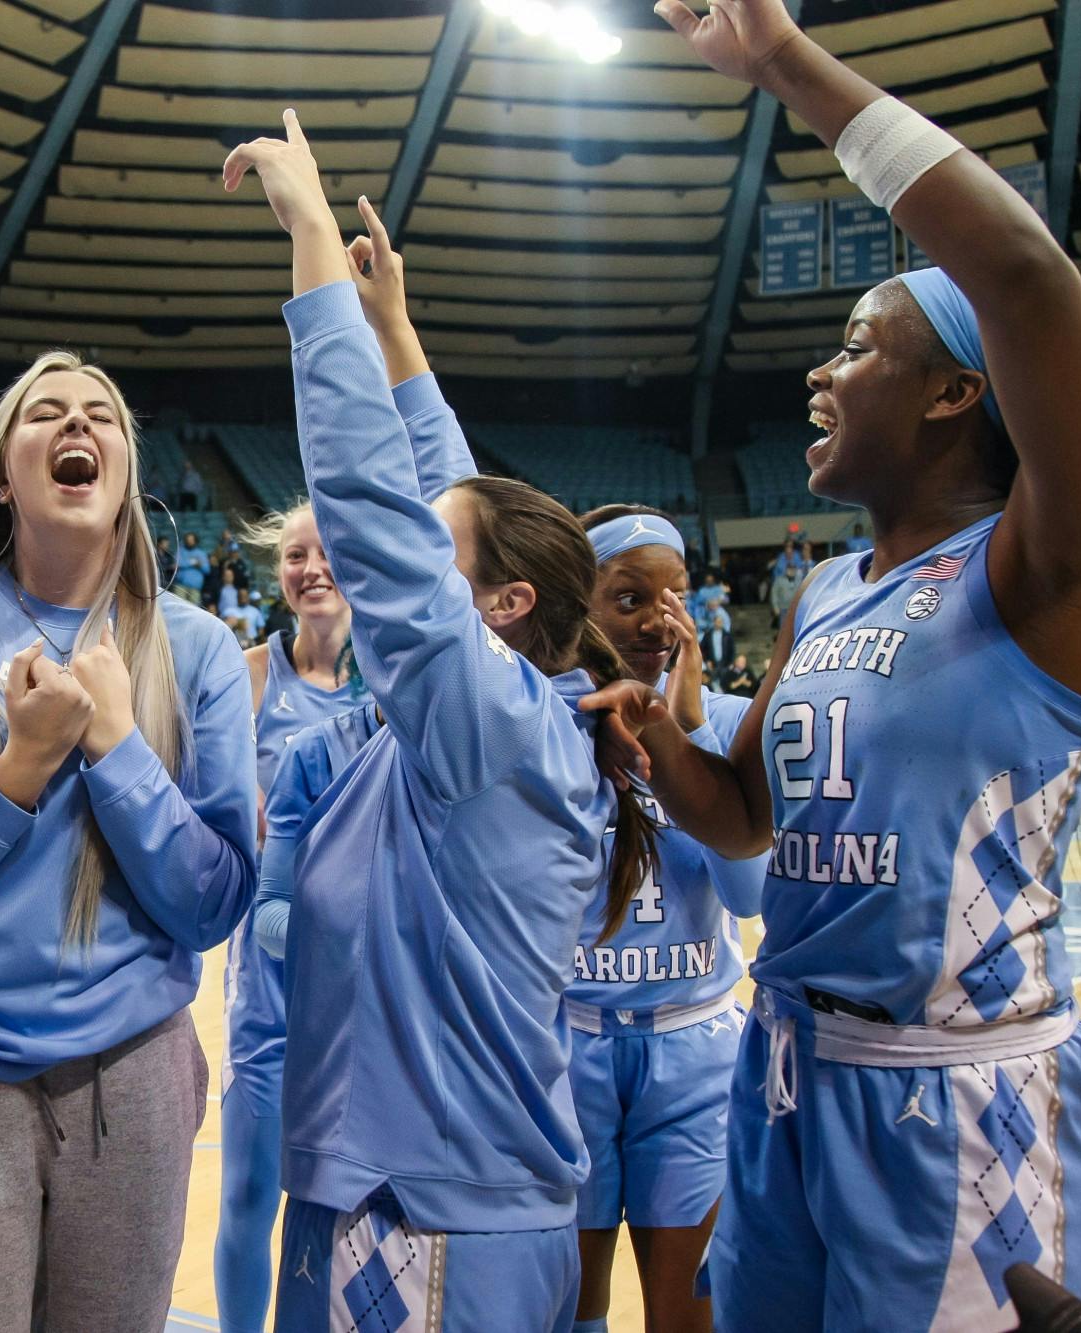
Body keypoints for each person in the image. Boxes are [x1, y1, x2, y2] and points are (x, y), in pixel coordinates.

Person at [583, 2, 1081, 1325]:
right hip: (785, 1073)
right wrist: (647, 735)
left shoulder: (1050, 568)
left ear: (954, 393)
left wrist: (782, 64)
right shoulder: (828, 588)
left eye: (859, 348)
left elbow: (1031, 283)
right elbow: (748, 815)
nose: (823, 374)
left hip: (958, 1095)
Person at [227, 118, 655, 1332]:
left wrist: (310, 244)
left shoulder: (491, 723)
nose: (405, 552)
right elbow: (449, 508)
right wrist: (394, 334)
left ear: (498, 608)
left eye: (434, 551)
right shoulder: (501, 711)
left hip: (422, 1214)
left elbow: (376, 510)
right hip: (402, 1191)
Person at [0, 350, 257, 1329]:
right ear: (1, 470)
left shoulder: (193, 651)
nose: (75, 426)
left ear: (125, 469)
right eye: (45, 413)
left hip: (131, 1075)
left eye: (100, 415)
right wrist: (19, 767)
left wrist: (116, 750)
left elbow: (210, 905)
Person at [565, 504, 769, 1333]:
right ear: (580, 605)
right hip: (566, 1043)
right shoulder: (549, 721)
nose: (659, 618)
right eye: (629, 597)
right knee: (568, 1312)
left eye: (676, 595)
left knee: (688, 1319)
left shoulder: (721, 718)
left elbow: (752, 895)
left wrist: (686, 735)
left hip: (694, 1052)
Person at [213, 495, 361, 1333]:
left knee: (344, 1205)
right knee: (245, 1191)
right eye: (294, 555)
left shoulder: (397, 674)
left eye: (326, 552)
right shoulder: (249, 674)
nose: (310, 569)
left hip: (366, 989)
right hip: (268, 985)